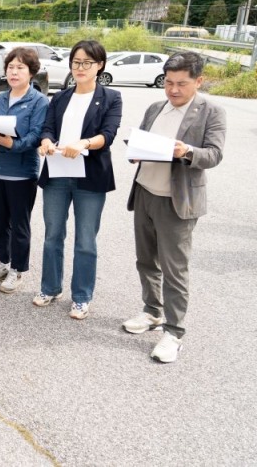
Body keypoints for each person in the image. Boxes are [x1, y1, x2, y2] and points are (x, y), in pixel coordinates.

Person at [123, 52, 226, 363]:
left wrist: (187, 151)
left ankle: (174, 331)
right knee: (146, 260)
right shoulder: (155, 107)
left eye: (182, 84)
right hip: (145, 193)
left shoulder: (211, 111)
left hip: (178, 201)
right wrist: (135, 151)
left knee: (175, 270)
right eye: (168, 82)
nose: (173, 90)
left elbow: (214, 154)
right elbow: (139, 143)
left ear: (198, 81)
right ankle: (152, 311)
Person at [33, 40, 122, 320]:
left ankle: (81, 296)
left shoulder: (111, 97)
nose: (80, 68)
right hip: (57, 174)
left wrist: (83, 143)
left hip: (90, 178)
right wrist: (46, 142)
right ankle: (50, 287)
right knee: (52, 235)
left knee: (85, 240)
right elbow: (47, 128)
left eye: (87, 63)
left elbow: (108, 135)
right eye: (76, 62)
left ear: (100, 66)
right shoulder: (60, 97)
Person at [0, 47, 48, 294]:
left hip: (21, 173)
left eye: (20, 68)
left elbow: (36, 136)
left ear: (31, 73)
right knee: (0, 222)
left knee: (20, 224)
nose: (14, 72)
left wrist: (12, 144)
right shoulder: (0, 98)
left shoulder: (39, 101)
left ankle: (18, 269)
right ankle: (3, 262)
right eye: (10, 67)